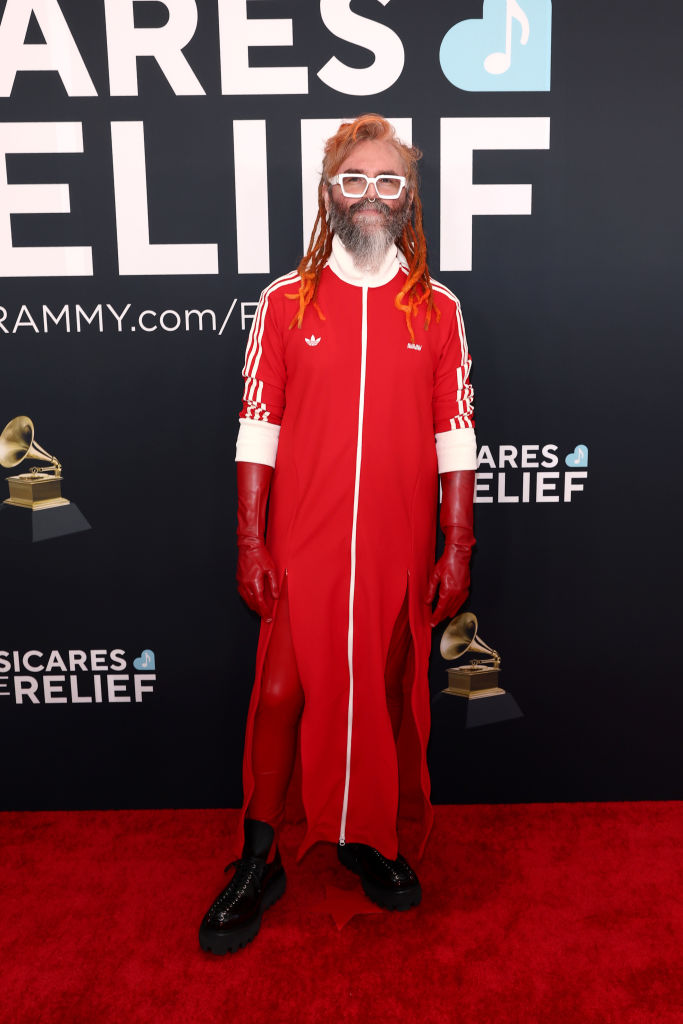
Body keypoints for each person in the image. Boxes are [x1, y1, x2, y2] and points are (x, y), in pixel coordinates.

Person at [199, 114, 476, 954]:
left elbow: (454, 433)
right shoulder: (286, 301)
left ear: (408, 198)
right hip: (303, 543)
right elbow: (257, 425)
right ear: (328, 192)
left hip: (397, 544)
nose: (369, 194)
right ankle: (259, 854)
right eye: (353, 178)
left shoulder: (437, 308)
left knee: (384, 694)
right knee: (282, 694)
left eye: (387, 180)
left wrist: (456, 543)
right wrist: (252, 540)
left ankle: (366, 838)